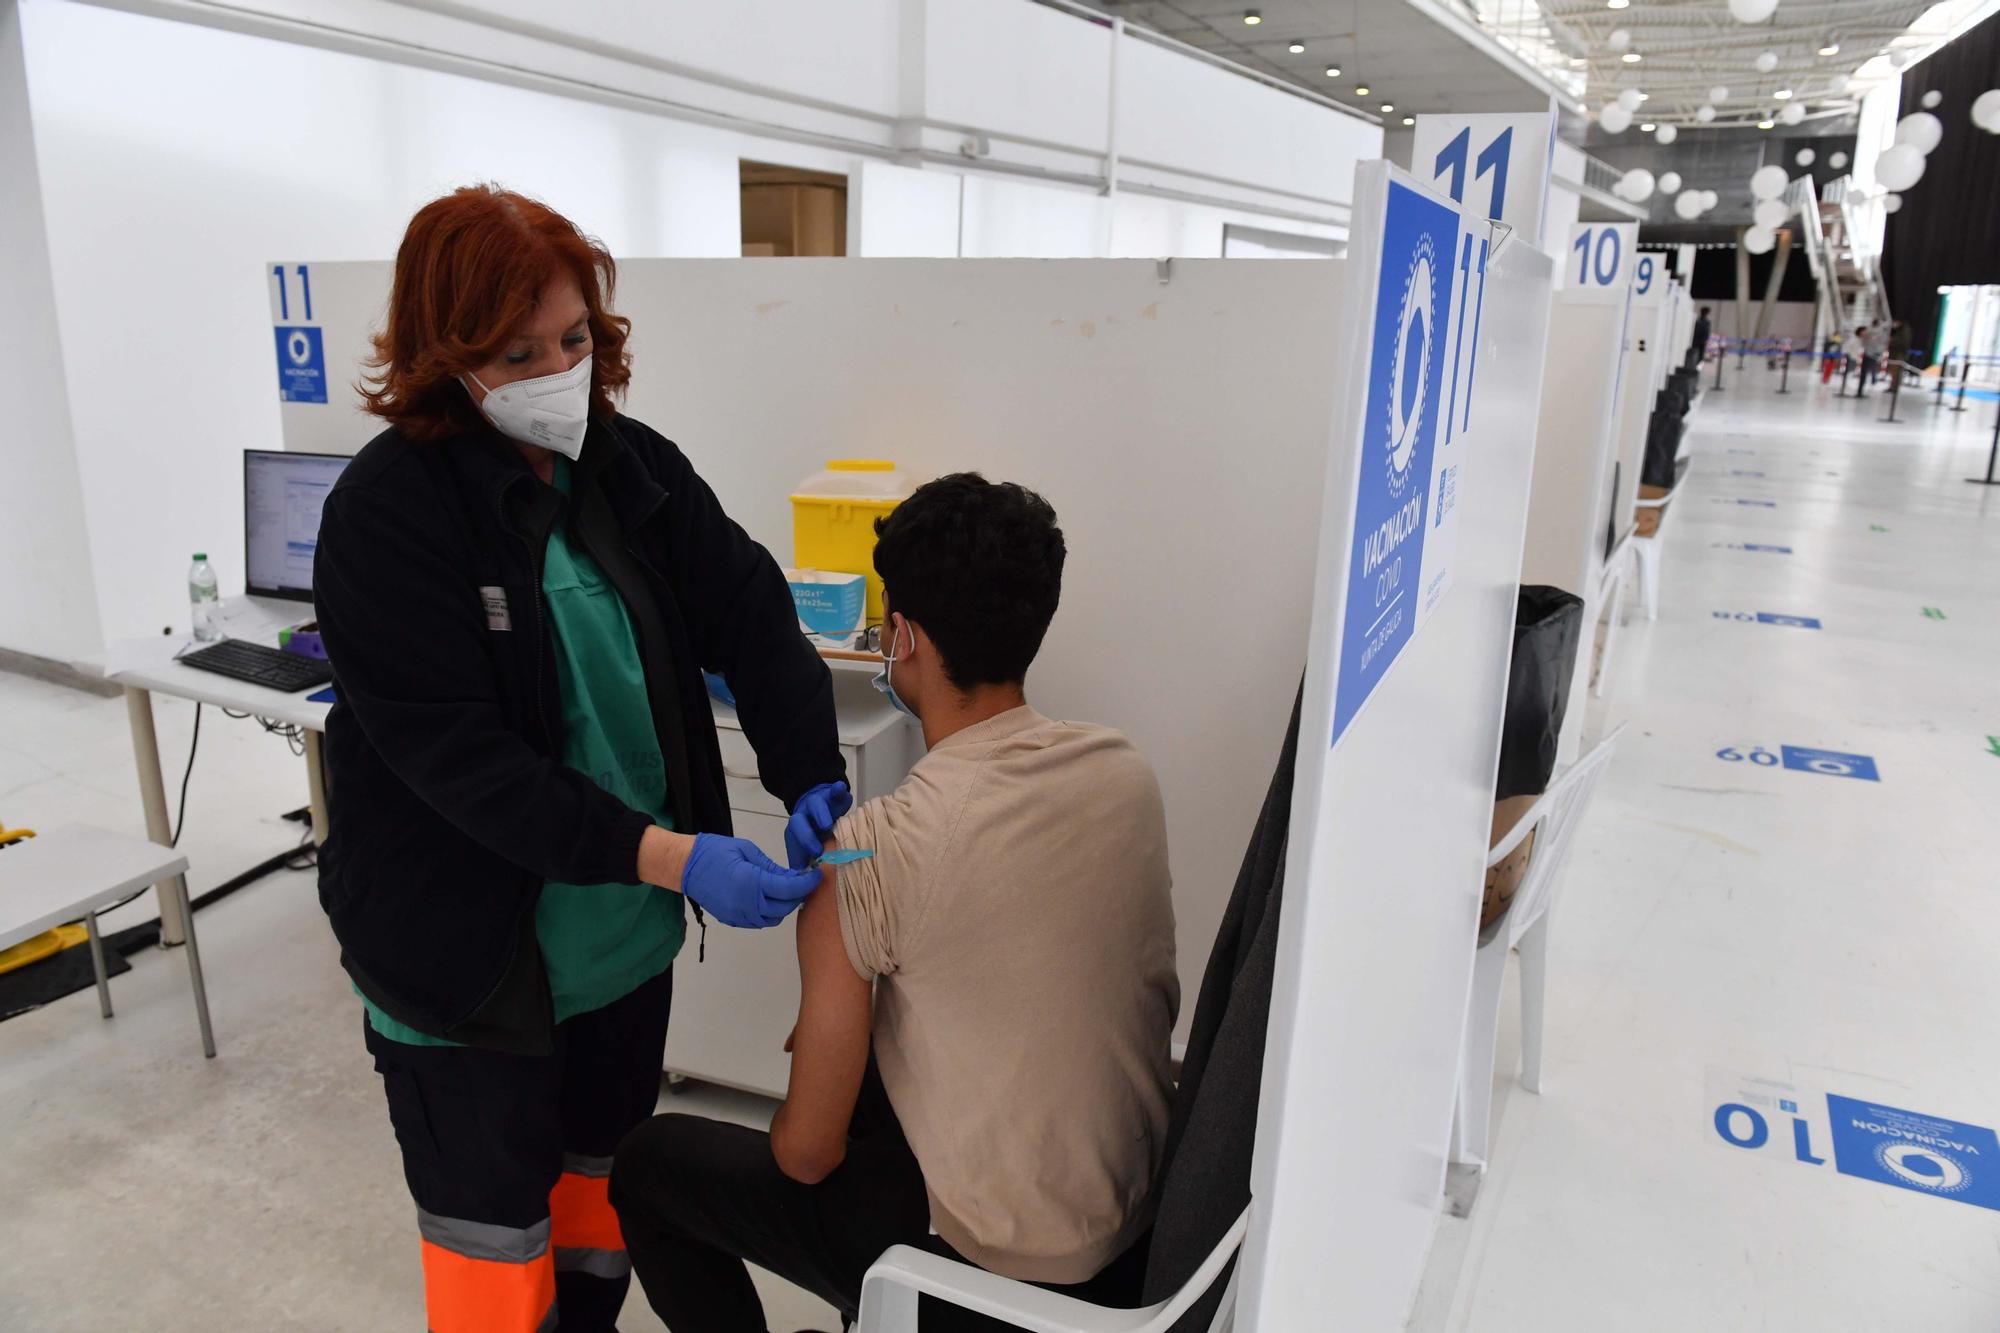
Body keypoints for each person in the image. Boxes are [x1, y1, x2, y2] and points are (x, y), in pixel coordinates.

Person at [313, 185, 853, 1333]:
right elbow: (464, 764)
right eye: (518, 352)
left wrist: (808, 765)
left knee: (596, 1222)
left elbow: (747, 609)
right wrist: (669, 855)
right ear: (442, 355)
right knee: (497, 1266)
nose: (561, 372)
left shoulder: (624, 467)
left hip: (614, 952)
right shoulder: (387, 516)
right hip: (467, 971)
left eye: (574, 340)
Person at [611, 474, 1181, 1332]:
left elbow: (806, 1157)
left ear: (902, 637)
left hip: (995, 1279)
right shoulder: (1125, 773)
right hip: (1140, 1233)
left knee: (649, 1166)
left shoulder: (874, 851)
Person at [1888, 320, 1913, 392]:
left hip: (1899, 355)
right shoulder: (1900, 330)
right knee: (1893, 372)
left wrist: (1892, 341)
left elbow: (1903, 343)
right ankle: (1892, 386)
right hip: (1895, 354)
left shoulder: (1905, 331)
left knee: (1896, 372)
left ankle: (1894, 387)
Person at [1689, 305, 1712, 370]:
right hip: (1698, 341)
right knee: (1698, 356)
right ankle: (1695, 368)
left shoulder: (1703, 321)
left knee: (1699, 356)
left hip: (1700, 341)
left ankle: (1696, 368)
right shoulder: (1701, 321)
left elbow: (1706, 332)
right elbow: (1704, 332)